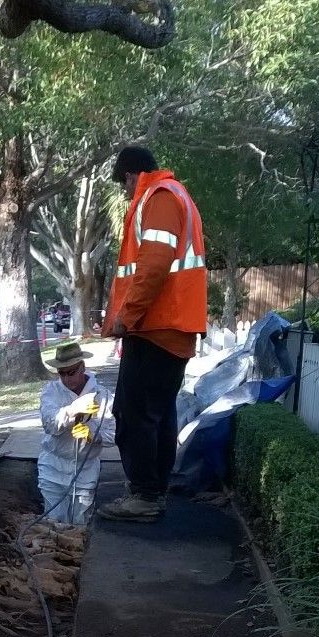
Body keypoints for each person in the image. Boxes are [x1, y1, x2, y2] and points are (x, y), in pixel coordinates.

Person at [100, 145, 207, 522]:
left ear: (132, 175)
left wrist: (126, 316)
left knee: (135, 414)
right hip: (168, 328)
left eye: (124, 185)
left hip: (156, 326)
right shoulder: (175, 195)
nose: (126, 192)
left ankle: (145, 496)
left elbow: (154, 265)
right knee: (157, 413)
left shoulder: (158, 197)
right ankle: (153, 490)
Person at [38, 340, 114, 525]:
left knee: (81, 524)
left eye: (71, 372)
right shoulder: (51, 392)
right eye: (61, 373)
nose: (66, 379)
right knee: (53, 524)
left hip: (85, 470)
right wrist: (73, 410)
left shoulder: (103, 396)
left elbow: (114, 433)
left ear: (83, 367)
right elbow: (49, 425)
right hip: (53, 467)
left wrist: (92, 435)